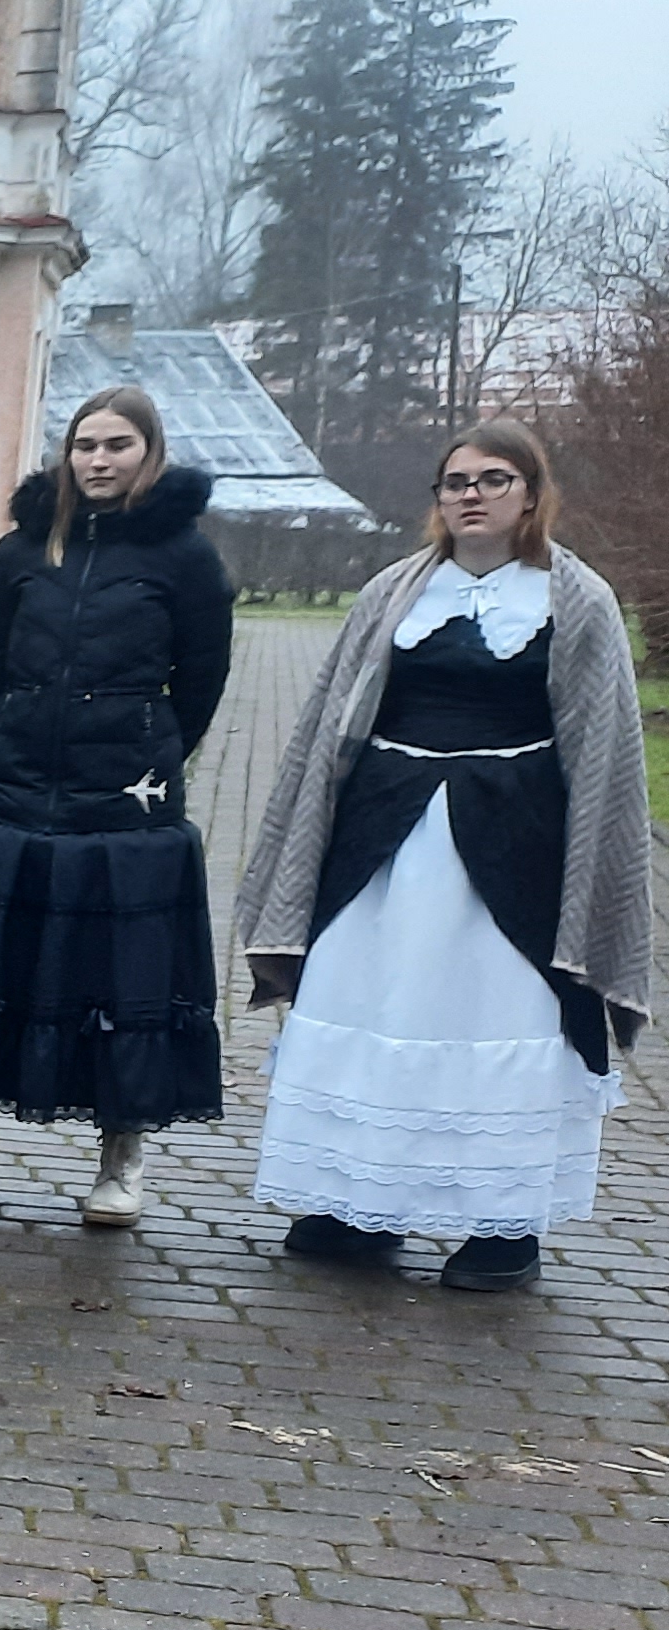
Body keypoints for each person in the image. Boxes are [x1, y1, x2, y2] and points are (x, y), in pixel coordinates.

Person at [233, 419, 649, 1291]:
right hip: (385, 842)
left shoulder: (576, 600)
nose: (471, 495)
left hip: (513, 849)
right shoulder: (395, 591)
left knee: (492, 1014)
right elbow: (333, 722)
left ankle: (503, 1227)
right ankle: (358, 1206)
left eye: (494, 479)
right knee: (371, 999)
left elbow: (605, 747)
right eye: (455, 481)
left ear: (530, 495)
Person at [0, 383, 231, 1226]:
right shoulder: (22, 549)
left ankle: (121, 1161)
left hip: (126, 807)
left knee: (122, 977)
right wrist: (29, 732)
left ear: (149, 453)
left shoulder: (185, 557)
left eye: (118, 446)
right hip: (17, 789)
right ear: (66, 454)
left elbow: (203, 679)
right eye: (85, 445)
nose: (99, 461)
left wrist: (143, 743)